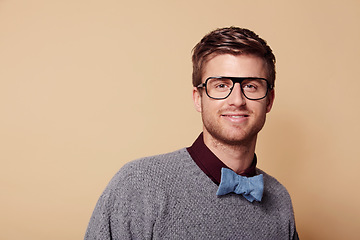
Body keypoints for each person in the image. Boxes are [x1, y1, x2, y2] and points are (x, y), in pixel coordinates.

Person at [85, 26, 299, 239]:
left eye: (251, 86)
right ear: (198, 98)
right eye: (222, 85)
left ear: (269, 100)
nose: (237, 100)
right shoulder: (139, 185)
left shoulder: (279, 199)